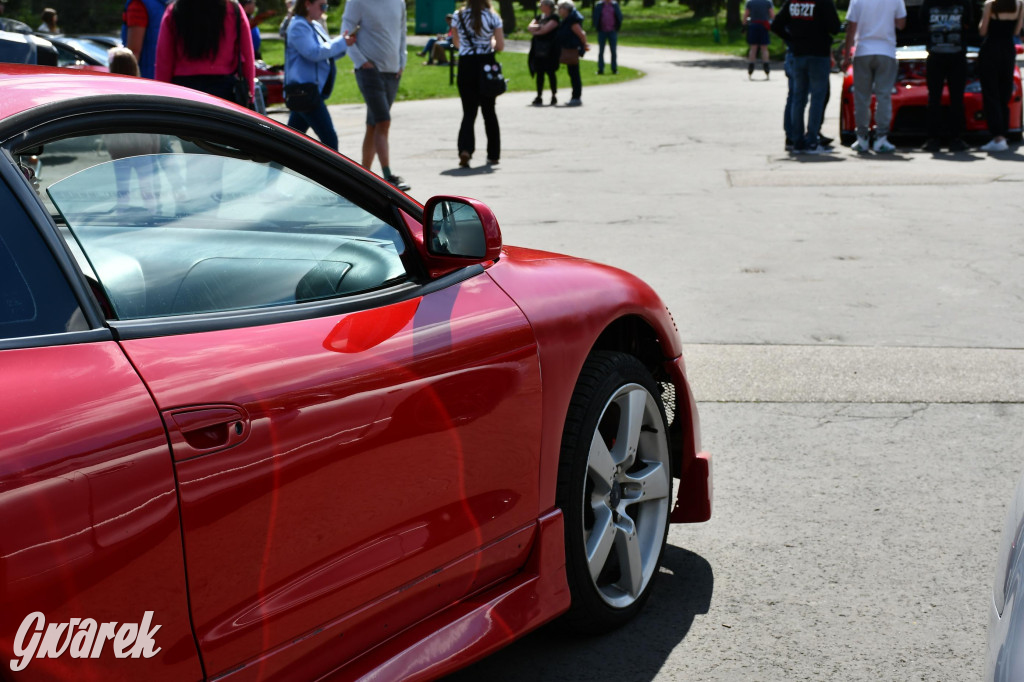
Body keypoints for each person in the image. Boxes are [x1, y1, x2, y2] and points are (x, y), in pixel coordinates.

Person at [341, 0, 410, 191]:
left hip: (393, 71)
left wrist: (402, 61)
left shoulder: (399, 2)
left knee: (373, 125)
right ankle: (388, 176)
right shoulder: (358, 1)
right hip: (369, 71)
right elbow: (345, 32)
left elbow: (402, 32)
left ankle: (364, 176)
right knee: (383, 121)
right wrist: (361, 61)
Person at [772, 0, 841, 154]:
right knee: (817, 98)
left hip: (798, 54)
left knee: (798, 98)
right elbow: (835, 28)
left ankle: (797, 141)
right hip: (818, 54)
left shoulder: (793, 2)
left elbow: (776, 25)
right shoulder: (823, 2)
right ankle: (811, 141)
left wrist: (792, 39)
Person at [155, 0, 255, 106]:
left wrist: (162, 98)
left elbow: (164, 61)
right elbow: (247, 57)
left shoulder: (174, 11)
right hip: (225, 92)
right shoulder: (234, 10)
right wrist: (250, 95)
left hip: (183, 90)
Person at [842, 0, 907, 153]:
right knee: (883, 95)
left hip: (863, 50)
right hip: (886, 50)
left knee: (862, 96)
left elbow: (851, 28)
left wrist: (845, 57)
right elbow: (901, 24)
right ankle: (881, 138)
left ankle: (862, 138)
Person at [285, 0, 348, 150]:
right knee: (330, 141)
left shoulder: (315, 25)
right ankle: (333, 173)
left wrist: (345, 44)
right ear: (307, 4)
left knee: (289, 143)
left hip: (309, 93)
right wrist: (341, 42)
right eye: (322, 5)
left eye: (326, 6)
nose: (324, 10)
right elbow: (314, 53)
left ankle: (273, 167)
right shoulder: (298, 26)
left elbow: (325, 54)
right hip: (305, 92)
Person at [452, 0, 504, 167]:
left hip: (466, 65)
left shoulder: (458, 16)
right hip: (486, 65)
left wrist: (469, 47)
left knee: (468, 112)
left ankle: (465, 150)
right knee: (489, 112)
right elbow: (500, 45)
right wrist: (490, 44)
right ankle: (493, 154)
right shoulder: (492, 16)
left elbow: (457, 43)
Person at [920, 0, 973, 151]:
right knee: (938, 98)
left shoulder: (964, 3)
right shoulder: (929, 3)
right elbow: (968, 24)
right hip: (939, 56)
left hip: (953, 57)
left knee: (952, 99)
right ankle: (937, 139)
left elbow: (968, 23)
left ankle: (950, 138)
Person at [978, 0, 1023, 151]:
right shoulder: (1020, 4)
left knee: (991, 93)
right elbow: (1017, 31)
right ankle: (1003, 133)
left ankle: (997, 136)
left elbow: (983, 31)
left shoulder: (991, 4)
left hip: (991, 49)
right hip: (1008, 49)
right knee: (1004, 93)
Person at [122, 0, 168, 79]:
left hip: (145, 80)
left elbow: (133, 52)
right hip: (168, 80)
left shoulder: (138, 4)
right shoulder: (173, 4)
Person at [557, 0, 589, 106]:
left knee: (574, 74)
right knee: (572, 73)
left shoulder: (572, 21)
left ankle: (576, 97)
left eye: (560, 8)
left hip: (572, 49)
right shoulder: (567, 19)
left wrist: (585, 45)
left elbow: (581, 34)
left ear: (566, 9)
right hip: (568, 48)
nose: (558, 10)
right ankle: (575, 96)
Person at [528, 0, 560, 105]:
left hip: (550, 50)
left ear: (548, 6)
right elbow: (530, 27)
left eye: (541, 5)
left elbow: (545, 30)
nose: (539, 6)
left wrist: (538, 29)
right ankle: (539, 95)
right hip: (538, 50)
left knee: (551, 73)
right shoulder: (539, 17)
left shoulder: (554, 17)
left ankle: (553, 95)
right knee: (539, 73)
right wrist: (539, 28)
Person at [744, 0, 774, 79]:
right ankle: (766, 69)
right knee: (764, 48)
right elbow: (772, 15)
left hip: (753, 25)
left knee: (753, 48)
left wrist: (744, 25)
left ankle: (750, 69)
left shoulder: (750, 2)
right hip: (764, 26)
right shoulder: (768, 2)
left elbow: (746, 14)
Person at [592, 0, 622, 75]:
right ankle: (601, 69)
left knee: (613, 51)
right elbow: (595, 16)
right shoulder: (599, 5)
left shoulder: (614, 4)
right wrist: (596, 26)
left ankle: (614, 69)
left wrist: (617, 27)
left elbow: (619, 16)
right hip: (602, 31)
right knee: (601, 51)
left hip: (612, 31)